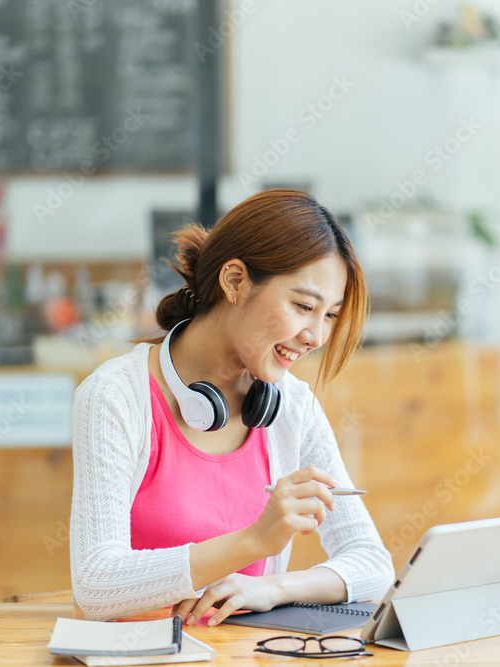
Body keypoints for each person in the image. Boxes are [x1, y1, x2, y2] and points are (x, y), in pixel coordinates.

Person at [69, 189, 394, 624]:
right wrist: (253, 542)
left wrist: (271, 586)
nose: (315, 336)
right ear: (236, 281)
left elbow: (372, 563)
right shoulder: (114, 395)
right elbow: (96, 584)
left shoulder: (291, 406)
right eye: (302, 306)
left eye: (330, 315)